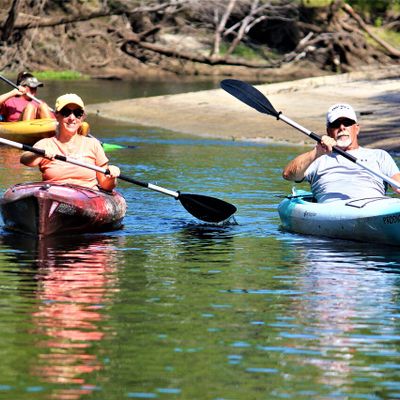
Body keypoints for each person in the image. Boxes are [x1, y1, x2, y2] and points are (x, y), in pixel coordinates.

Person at [282, 103, 400, 203]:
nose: (342, 127)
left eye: (347, 123)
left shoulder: (379, 155)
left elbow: (397, 183)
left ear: (356, 128)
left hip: (374, 208)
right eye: (335, 124)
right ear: (328, 131)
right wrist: (317, 152)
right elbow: (288, 175)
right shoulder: (318, 157)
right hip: (332, 211)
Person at [20, 93, 120, 192]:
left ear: (82, 117)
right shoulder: (45, 144)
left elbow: (106, 185)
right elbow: (25, 160)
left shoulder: (93, 144)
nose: (72, 118)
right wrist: (37, 153)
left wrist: (112, 177)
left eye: (77, 113)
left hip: (87, 196)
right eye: (66, 112)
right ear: (56, 115)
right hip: (54, 194)